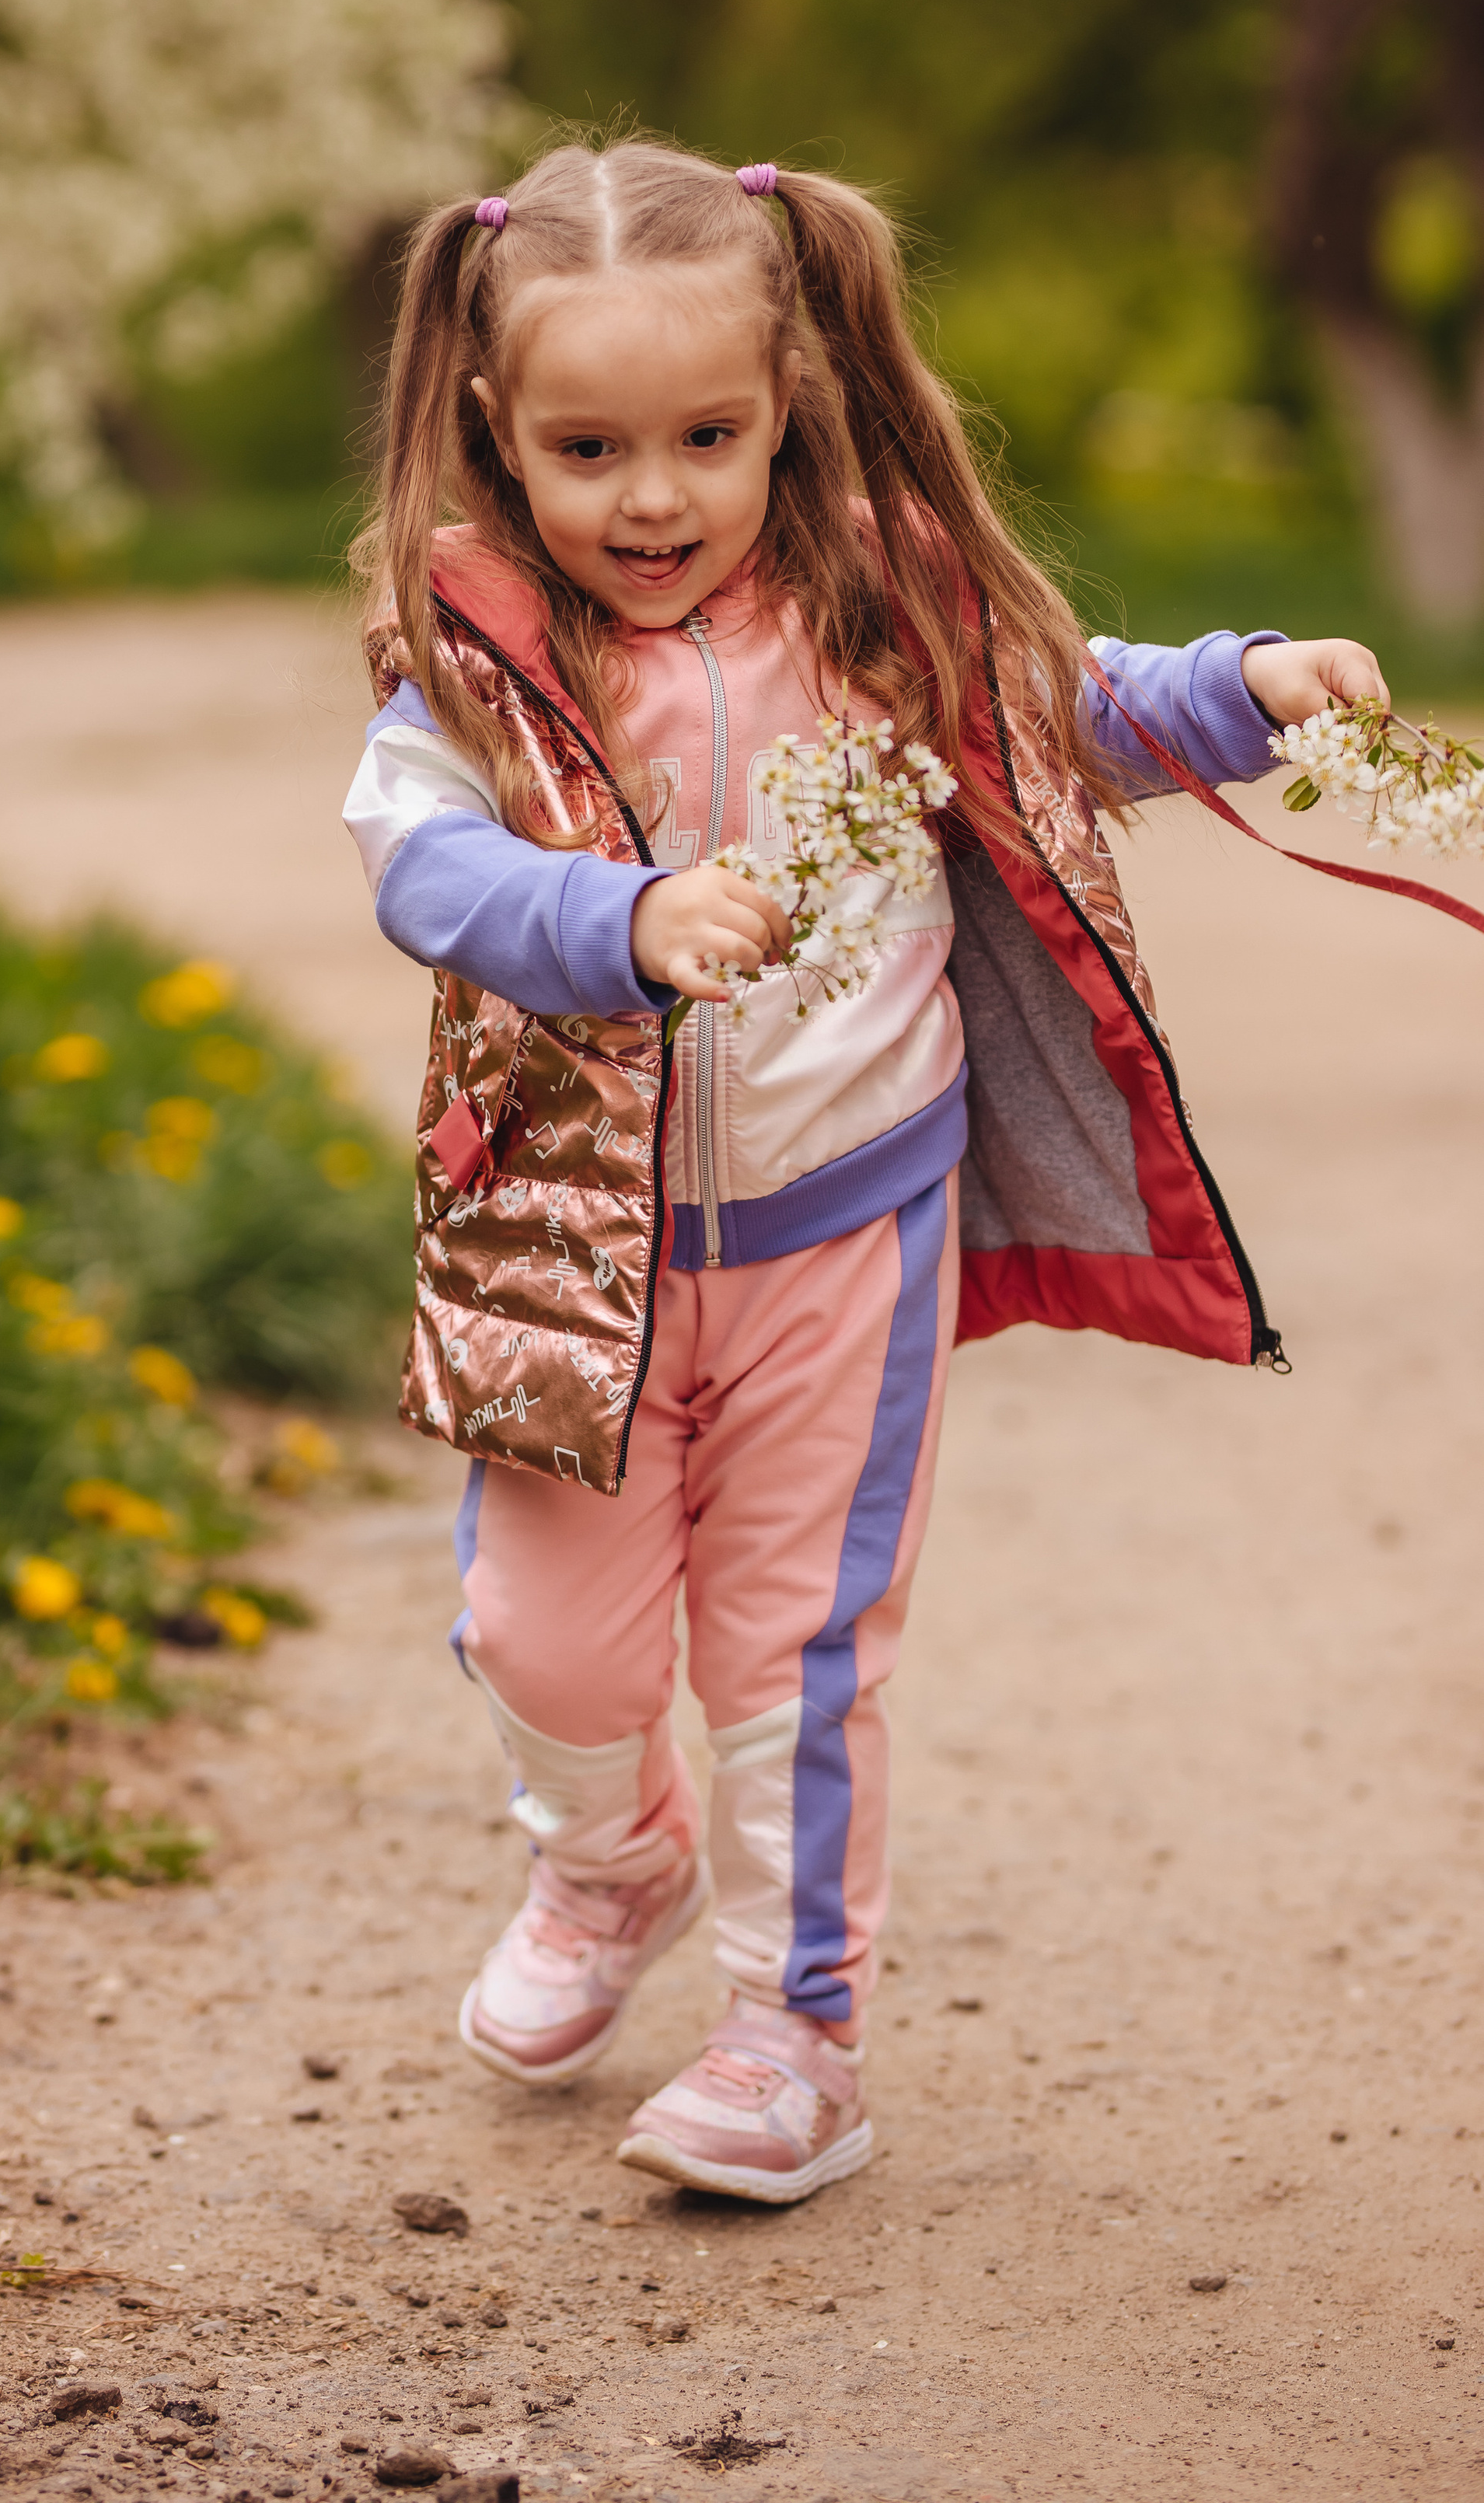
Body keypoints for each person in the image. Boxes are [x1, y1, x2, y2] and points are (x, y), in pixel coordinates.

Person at [340, 136, 1385, 2205]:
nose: (655, 499)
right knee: (548, 1640)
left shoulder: (876, 603)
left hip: (845, 1227)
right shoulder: (466, 646)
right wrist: (619, 922)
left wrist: (1248, 688)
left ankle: (791, 2036)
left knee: (797, 1644)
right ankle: (607, 1862)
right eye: (592, 447)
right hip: (581, 1252)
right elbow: (422, 862)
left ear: (787, 402)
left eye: (707, 437)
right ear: (494, 426)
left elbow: (1063, 707)